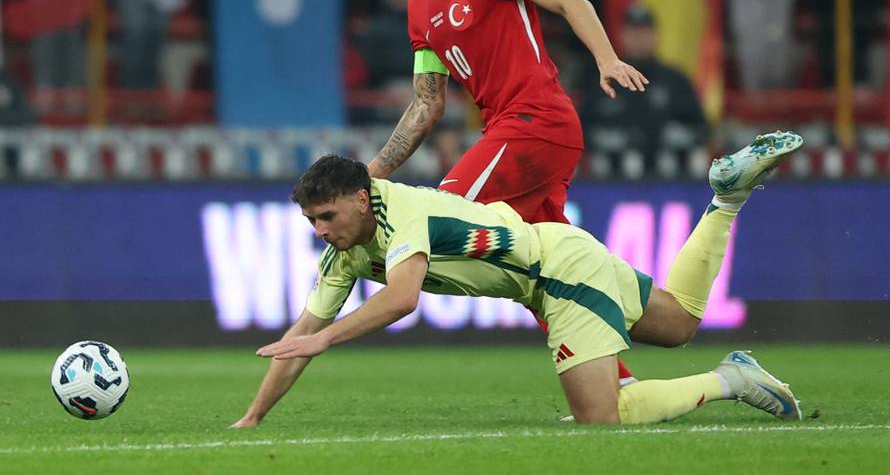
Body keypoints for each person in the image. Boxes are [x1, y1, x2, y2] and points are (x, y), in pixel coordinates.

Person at [231, 131, 804, 427]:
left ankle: (731, 380)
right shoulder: (347, 251)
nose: (320, 230)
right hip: (555, 254)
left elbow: (402, 299)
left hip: (557, 271)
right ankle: (726, 198)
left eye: (326, 217)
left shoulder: (399, 213)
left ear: (361, 198)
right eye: (310, 221)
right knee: (678, 321)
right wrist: (254, 416)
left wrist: (325, 338)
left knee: (602, 417)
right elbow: (299, 337)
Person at [366, 0, 647, 224]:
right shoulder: (418, 6)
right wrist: (371, 173)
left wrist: (607, 60)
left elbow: (571, 2)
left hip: (535, 121)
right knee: (548, 271)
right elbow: (427, 102)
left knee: (438, 222)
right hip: (515, 134)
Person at [582, 2, 709, 173]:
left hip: (669, 170)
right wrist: (607, 138)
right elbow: (583, 130)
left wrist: (678, 136)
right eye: (633, 32)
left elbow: (702, 129)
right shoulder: (606, 79)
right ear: (622, 35)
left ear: (655, 36)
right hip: (614, 173)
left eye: (643, 32)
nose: (638, 39)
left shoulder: (674, 79)